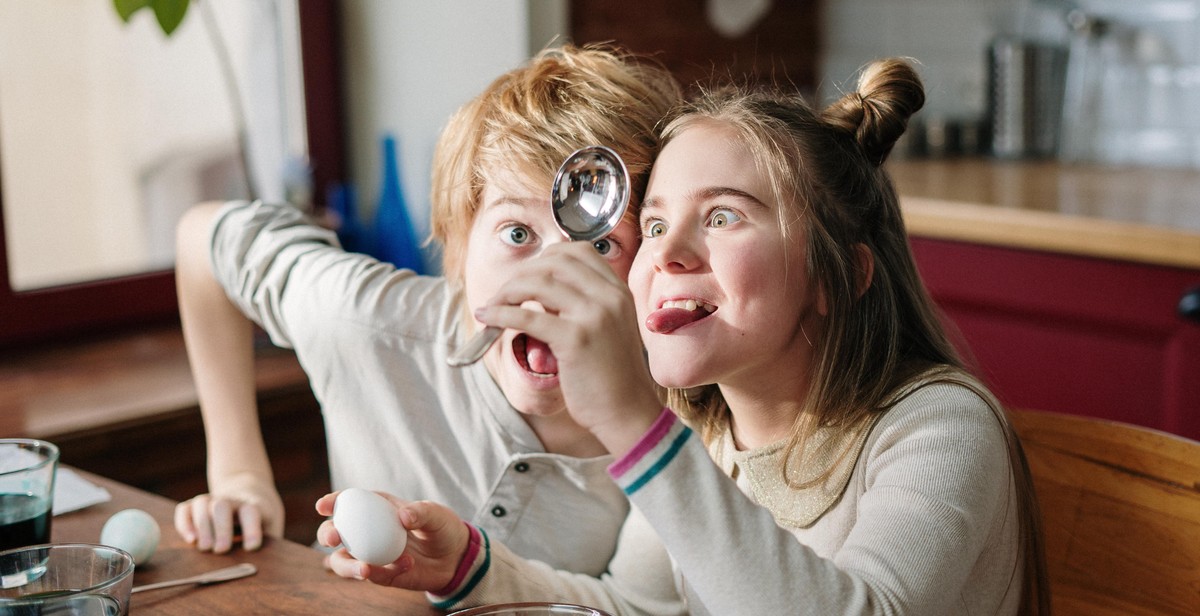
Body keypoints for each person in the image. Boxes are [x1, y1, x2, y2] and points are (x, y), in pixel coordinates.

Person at [318, 57, 1050, 615]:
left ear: (838, 275)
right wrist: (467, 571)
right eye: (657, 223)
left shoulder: (939, 426)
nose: (665, 253)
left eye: (724, 216)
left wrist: (639, 426)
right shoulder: (705, 432)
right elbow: (641, 610)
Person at [171, 44, 685, 603]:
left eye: (603, 243)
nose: (551, 280)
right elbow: (203, 240)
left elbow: (641, 606)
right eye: (517, 234)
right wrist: (238, 471)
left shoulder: (678, 410)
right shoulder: (370, 323)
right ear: (460, 246)